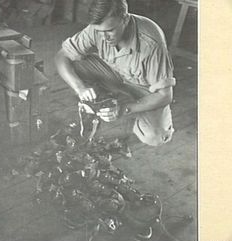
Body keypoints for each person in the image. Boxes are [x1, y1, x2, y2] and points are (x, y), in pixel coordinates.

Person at [55, 0, 175, 146]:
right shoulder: (99, 27)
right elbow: (62, 56)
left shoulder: (151, 43)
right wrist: (79, 87)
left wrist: (125, 109)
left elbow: (165, 96)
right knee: (73, 62)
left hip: (144, 89)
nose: (104, 38)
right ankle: (102, 101)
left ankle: (127, 112)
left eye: (109, 31)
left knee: (155, 137)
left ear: (125, 19)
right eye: (99, 32)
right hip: (115, 74)